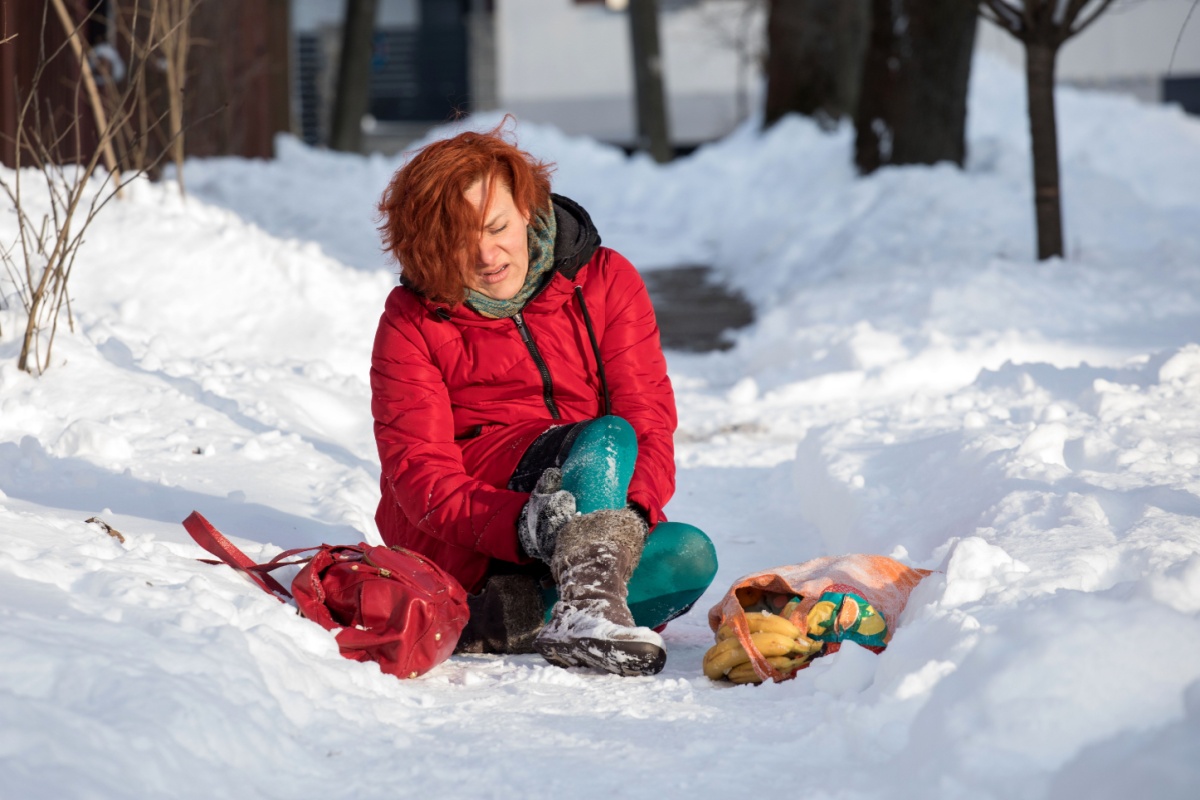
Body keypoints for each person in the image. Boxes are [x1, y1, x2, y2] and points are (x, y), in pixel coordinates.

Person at [371, 125, 717, 677]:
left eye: (497, 226)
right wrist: (528, 524)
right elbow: (419, 478)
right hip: (472, 535)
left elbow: (649, 419)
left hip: (591, 502)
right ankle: (583, 610)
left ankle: (504, 620)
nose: (487, 254)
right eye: (460, 238)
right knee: (607, 435)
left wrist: (614, 527)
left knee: (689, 555)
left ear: (528, 207)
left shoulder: (608, 282)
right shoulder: (410, 321)